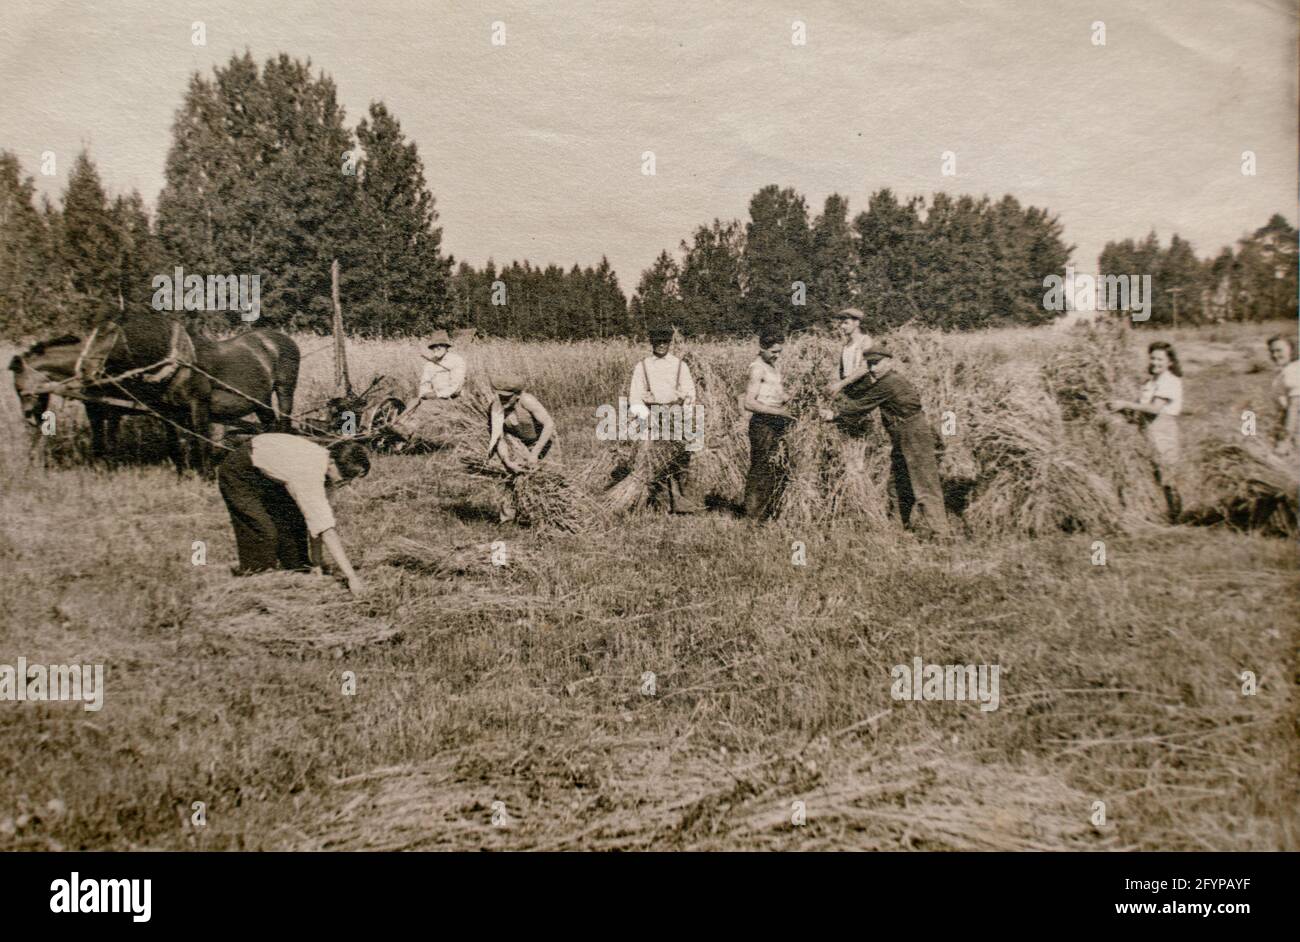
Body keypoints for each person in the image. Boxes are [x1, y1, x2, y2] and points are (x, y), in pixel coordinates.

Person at [819, 349, 950, 538]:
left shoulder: (889, 383)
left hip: (912, 432)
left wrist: (835, 416)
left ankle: (941, 532)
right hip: (903, 432)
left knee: (924, 482)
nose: (872, 368)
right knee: (899, 480)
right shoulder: (888, 381)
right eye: (869, 364)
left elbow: (862, 405)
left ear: (888, 362)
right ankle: (899, 527)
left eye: (876, 363)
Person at [218, 433, 369, 595]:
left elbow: (317, 523)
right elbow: (328, 532)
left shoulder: (326, 470)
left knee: (295, 533)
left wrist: (316, 563)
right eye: (346, 475)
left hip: (269, 476)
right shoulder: (309, 472)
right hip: (240, 472)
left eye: (351, 478)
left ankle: (296, 572)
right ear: (332, 462)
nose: (347, 482)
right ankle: (255, 586)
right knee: (263, 531)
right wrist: (352, 577)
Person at [628, 325, 703, 513]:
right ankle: (659, 502)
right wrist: (647, 418)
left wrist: (684, 415)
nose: (661, 345)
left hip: (676, 416)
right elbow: (634, 397)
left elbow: (690, 394)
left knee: (680, 460)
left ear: (670, 343)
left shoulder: (680, 365)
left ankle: (682, 502)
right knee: (654, 461)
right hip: (651, 417)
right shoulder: (642, 366)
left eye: (665, 342)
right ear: (651, 342)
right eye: (657, 341)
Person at [1108, 341, 1184, 522]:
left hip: (1163, 429)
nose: (1155, 362)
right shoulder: (1150, 382)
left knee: (1166, 473)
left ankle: (1175, 517)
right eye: (1152, 358)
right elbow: (1142, 407)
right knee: (1151, 472)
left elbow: (1154, 408)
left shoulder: (1170, 381)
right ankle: (1157, 513)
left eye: (1160, 359)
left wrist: (1125, 404)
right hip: (1147, 429)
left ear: (1170, 362)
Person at [488, 372, 556, 522]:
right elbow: (499, 438)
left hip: (542, 444)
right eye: (500, 396)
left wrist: (534, 454)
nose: (503, 400)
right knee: (509, 477)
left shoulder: (527, 401)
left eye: (508, 397)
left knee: (546, 480)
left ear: (517, 395)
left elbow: (549, 424)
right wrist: (507, 461)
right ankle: (508, 519)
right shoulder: (495, 408)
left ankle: (545, 518)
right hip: (517, 445)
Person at [741, 328, 794, 519]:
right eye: (773, 352)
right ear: (762, 348)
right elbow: (749, 402)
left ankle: (767, 511)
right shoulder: (757, 368)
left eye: (779, 352)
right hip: (763, 424)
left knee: (776, 467)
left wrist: (792, 398)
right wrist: (779, 411)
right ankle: (753, 515)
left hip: (777, 422)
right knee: (761, 467)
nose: (777, 356)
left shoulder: (772, 366)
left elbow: (775, 393)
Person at [824, 307, 876, 472]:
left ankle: (860, 471)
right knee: (846, 428)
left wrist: (841, 384)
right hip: (847, 389)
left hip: (861, 388)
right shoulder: (846, 344)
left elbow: (864, 368)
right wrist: (832, 385)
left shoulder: (865, 341)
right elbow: (839, 368)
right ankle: (849, 469)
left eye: (846, 323)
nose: (842, 326)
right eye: (841, 323)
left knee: (861, 430)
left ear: (857, 323)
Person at [394, 329, 466, 443]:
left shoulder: (456, 360)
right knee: (413, 402)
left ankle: (409, 432)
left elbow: (456, 387)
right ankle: (398, 426)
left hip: (451, 399)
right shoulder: (430, 363)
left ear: (447, 346)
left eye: (440, 345)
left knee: (426, 408)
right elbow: (425, 383)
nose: (436, 348)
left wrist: (435, 395)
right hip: (432, 398)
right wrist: (424, 394)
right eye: (434, 346)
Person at [1266, 334, 1300, 455]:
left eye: (1279, 350)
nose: (1275, 355)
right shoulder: (1287, 370)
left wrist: (1285, 440)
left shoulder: (1293, 371)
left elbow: (1294, 408)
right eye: (1272, 351)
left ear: (1292, 349)